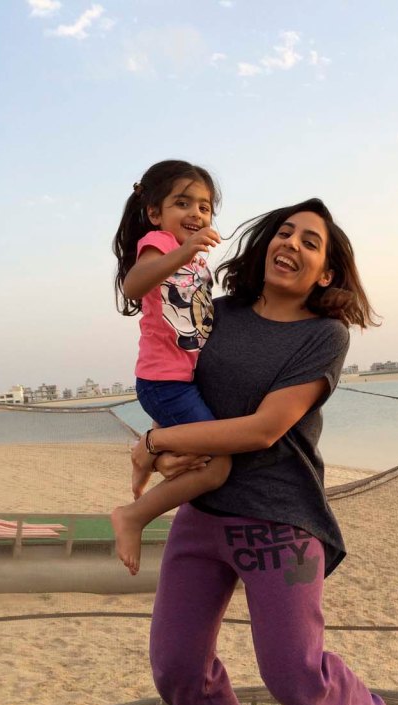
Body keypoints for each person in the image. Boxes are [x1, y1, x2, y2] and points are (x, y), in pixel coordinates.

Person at [130, 198, 398, 705]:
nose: (291, 244)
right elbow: (169, 375)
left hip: (281, 520)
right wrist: (162, 449)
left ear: (325, 272)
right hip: (203, 511)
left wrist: (155, 442)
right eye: (284, 232)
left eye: (311, 242)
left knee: (296, 679)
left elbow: (263, 429)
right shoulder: (218, 312)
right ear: (265, 245)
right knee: (175, 667)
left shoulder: (323, 336)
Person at [111, 160, 231, 573]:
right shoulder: (159, 242)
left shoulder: (195, 259)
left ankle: (146, 454)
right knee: (217, 465)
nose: (196, 213)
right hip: (164, 383)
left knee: (197, 454)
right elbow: (134, 284)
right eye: (183, 203)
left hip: (184, 380)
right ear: (155, 213)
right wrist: (183, 251)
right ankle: (133, 515)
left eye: (204, 207)